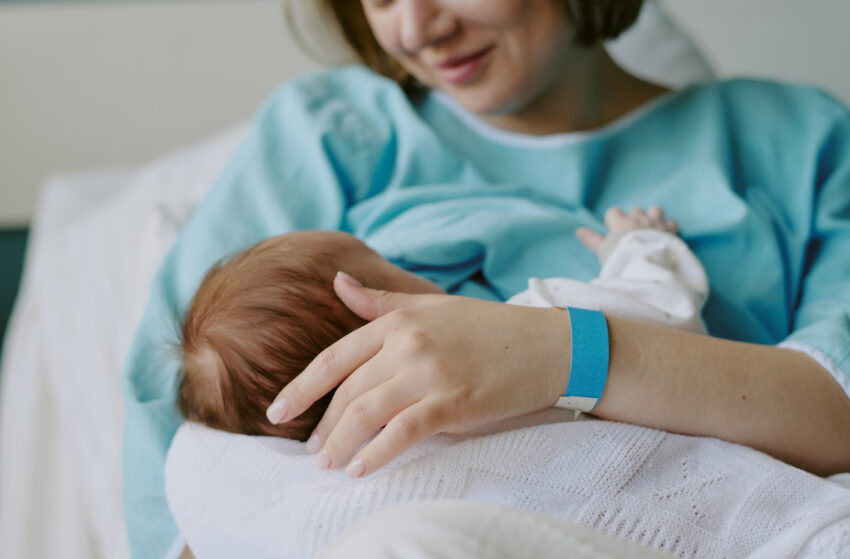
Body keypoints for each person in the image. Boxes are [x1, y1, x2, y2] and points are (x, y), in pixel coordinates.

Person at [122, 1, 850, 559]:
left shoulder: (801, 143)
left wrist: (560, 354)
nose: (415, 29)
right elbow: (187, 419)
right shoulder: (329, 136)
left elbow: (838, 407)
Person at [177, 208, 704, 441]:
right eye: (387, 264)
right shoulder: (531, 325)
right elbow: (667, 317)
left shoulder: (382, 465)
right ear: (381, 309)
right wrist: (639, 245)